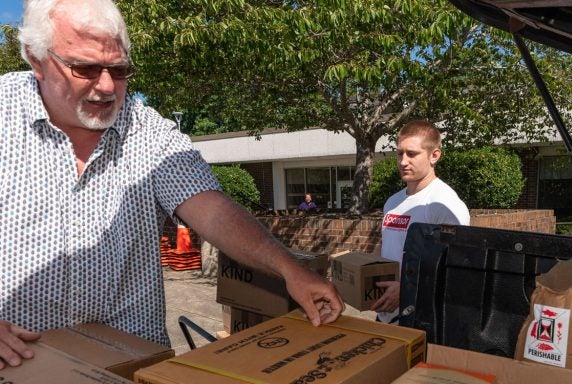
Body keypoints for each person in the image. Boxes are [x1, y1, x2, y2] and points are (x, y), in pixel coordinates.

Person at [0, 0, 343, 369]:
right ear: (35, 60)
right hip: (22, 362)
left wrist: (290, 270)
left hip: (133, 364)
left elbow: (211, 208)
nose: (106, 86)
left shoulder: (147, 129)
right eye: (85, 68)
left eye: (119, 69)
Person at [371, 120, 470, 323]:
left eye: (412, 154)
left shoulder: (444, 205)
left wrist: (407, 289)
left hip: (421, 318)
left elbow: (455, 267)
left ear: (434, 155)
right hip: (386, 314)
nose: (403, 161)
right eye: (400, 153)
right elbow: (386, 245)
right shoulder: (393, 201)